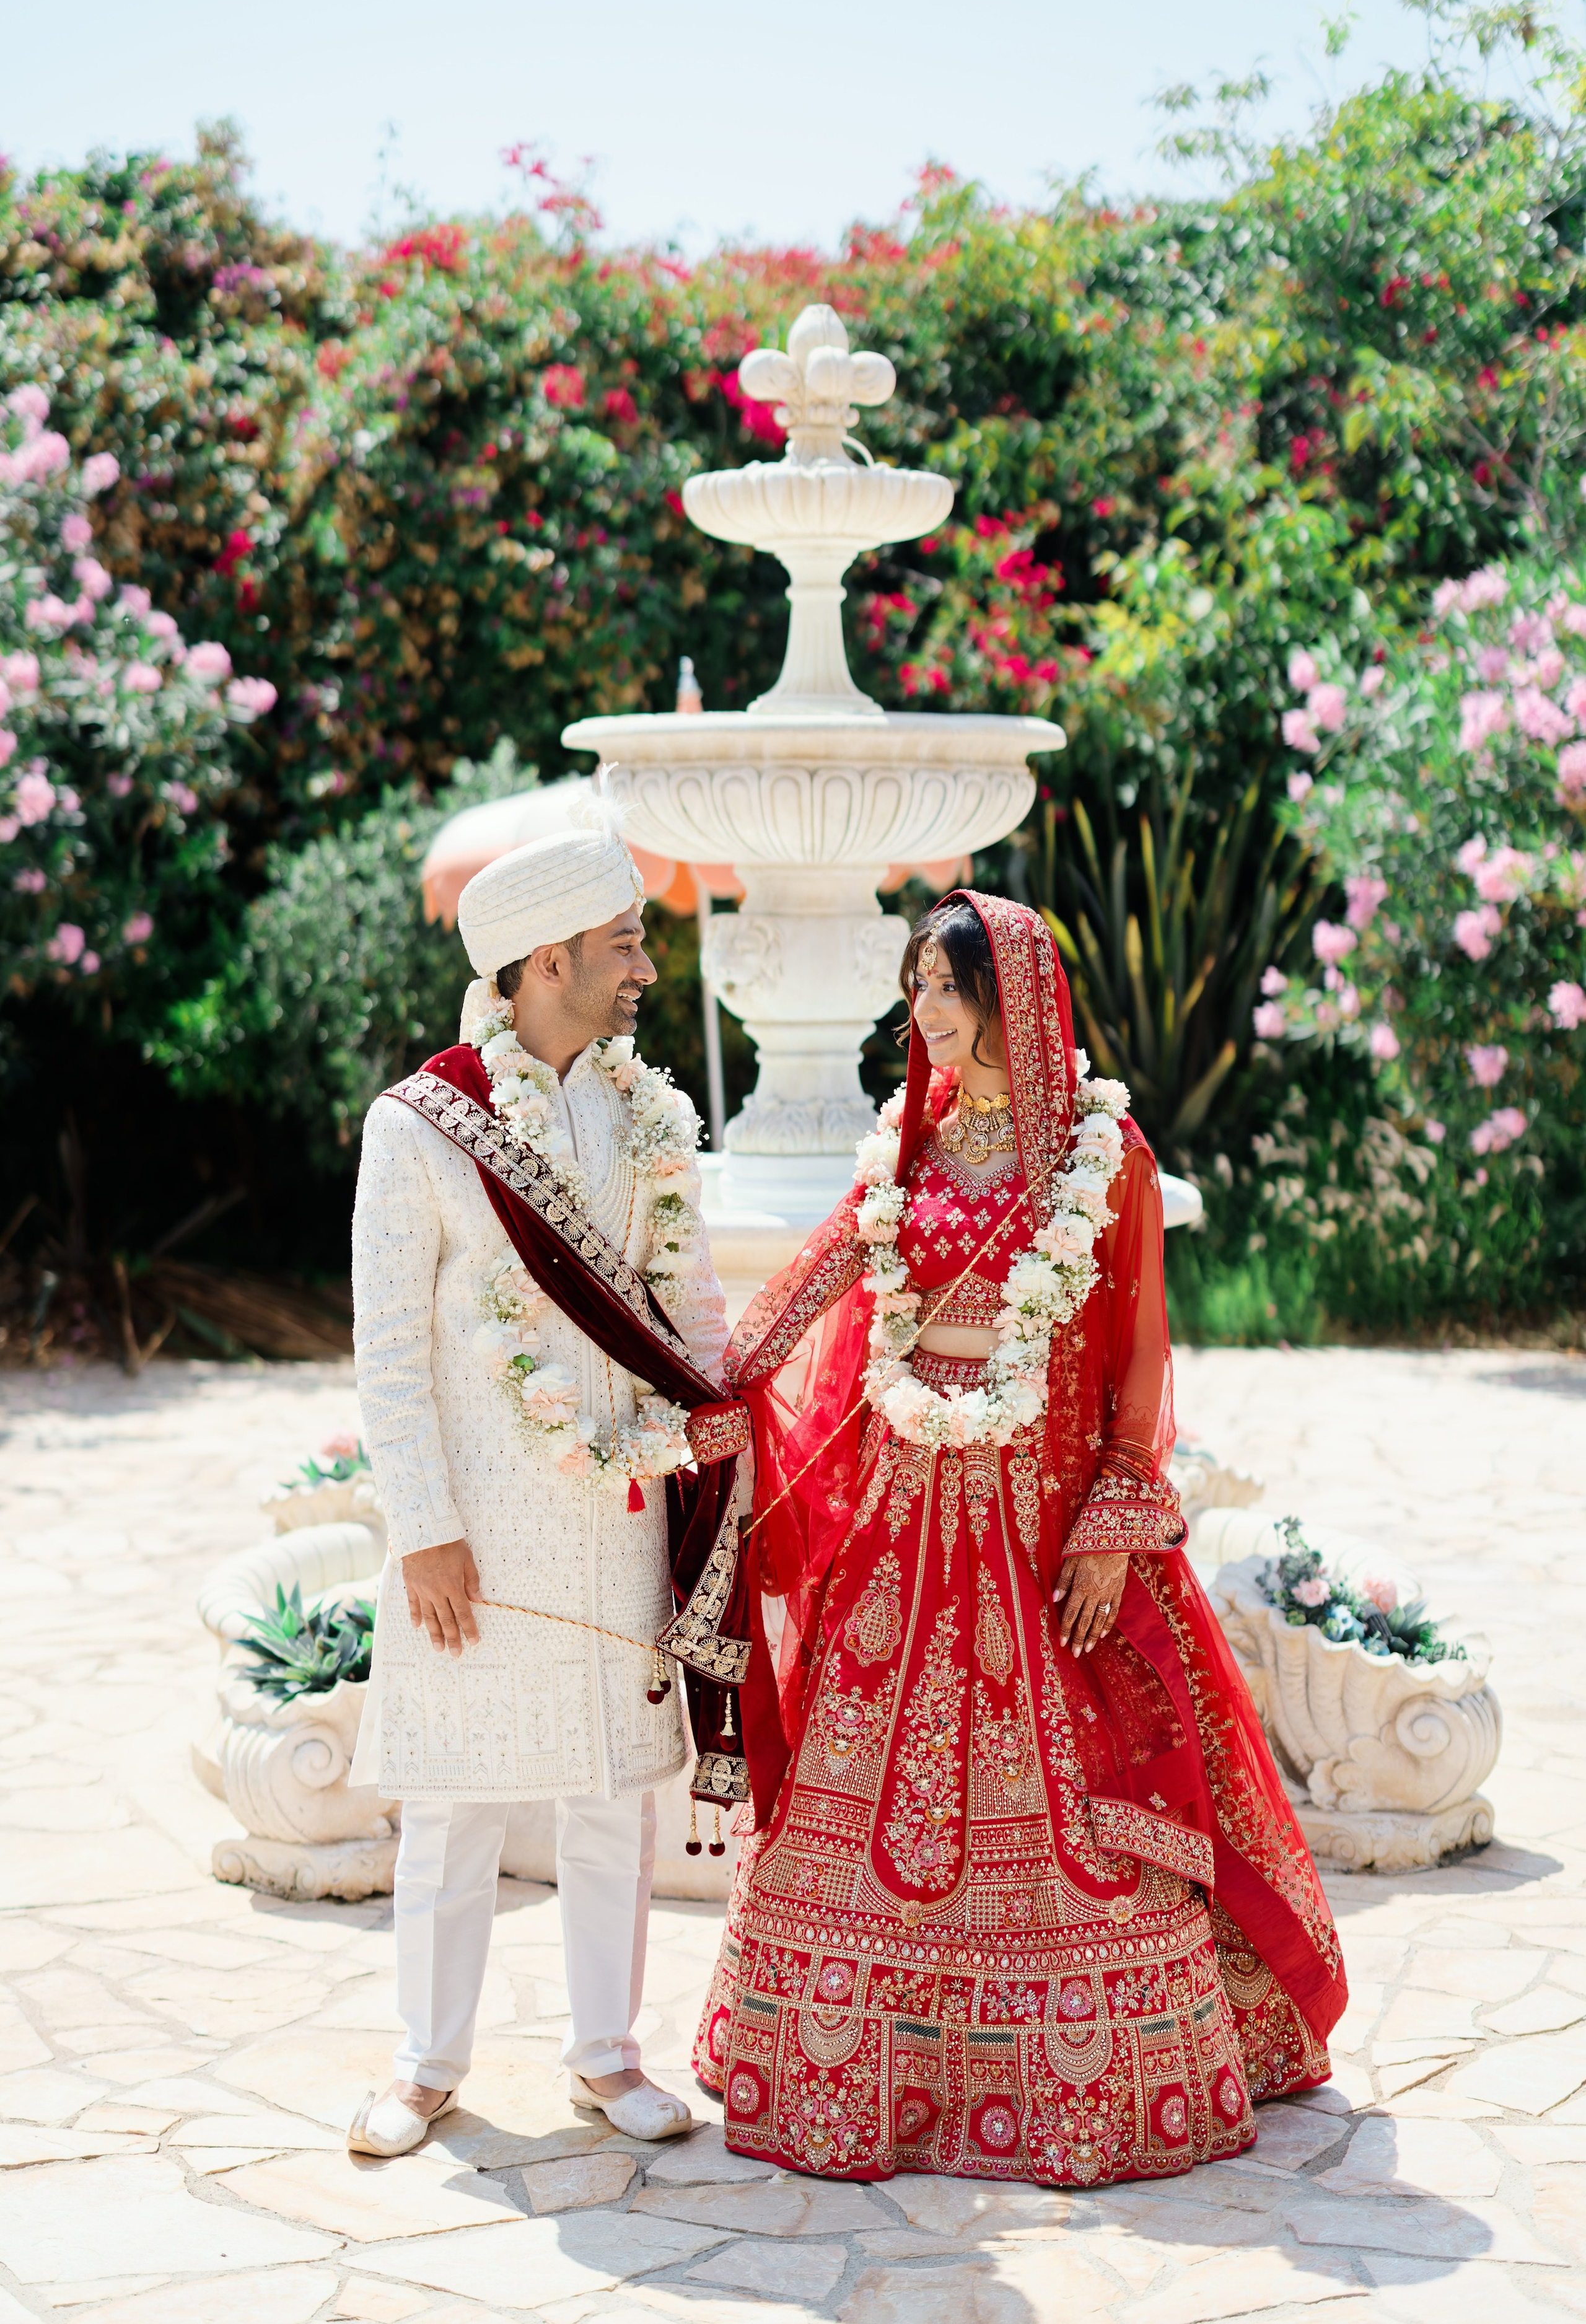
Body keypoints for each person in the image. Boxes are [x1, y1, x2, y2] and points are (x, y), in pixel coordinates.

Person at [694, 890, 1346, 2188]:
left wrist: (1112, 1516)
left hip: (1035, 1527)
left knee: (1072, 1789)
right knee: (858, 1779)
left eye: (940, 987)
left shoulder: (1104, 1160)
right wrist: (707, 1386)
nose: (920, 1011)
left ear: (1009, 1002)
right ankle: (842, 2061)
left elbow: (1139, 1364)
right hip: (901, 1517)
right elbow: (823, 1273)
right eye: (917, 987)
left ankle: (1076, 2076)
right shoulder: (905, 1149)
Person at [346, 806, 750, 2157]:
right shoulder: (420, 1129)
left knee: (605, 1793)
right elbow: (388, 1353)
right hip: (476, 1533)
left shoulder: (644, 1116)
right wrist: (424, 1532)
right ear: (539, 963)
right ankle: (424, 2062)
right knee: (454, 1802)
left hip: (615, 1519)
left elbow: (682, 1302)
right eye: (623, 944)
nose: (643, 969)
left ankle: (604, 2055)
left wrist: (718, 1420)